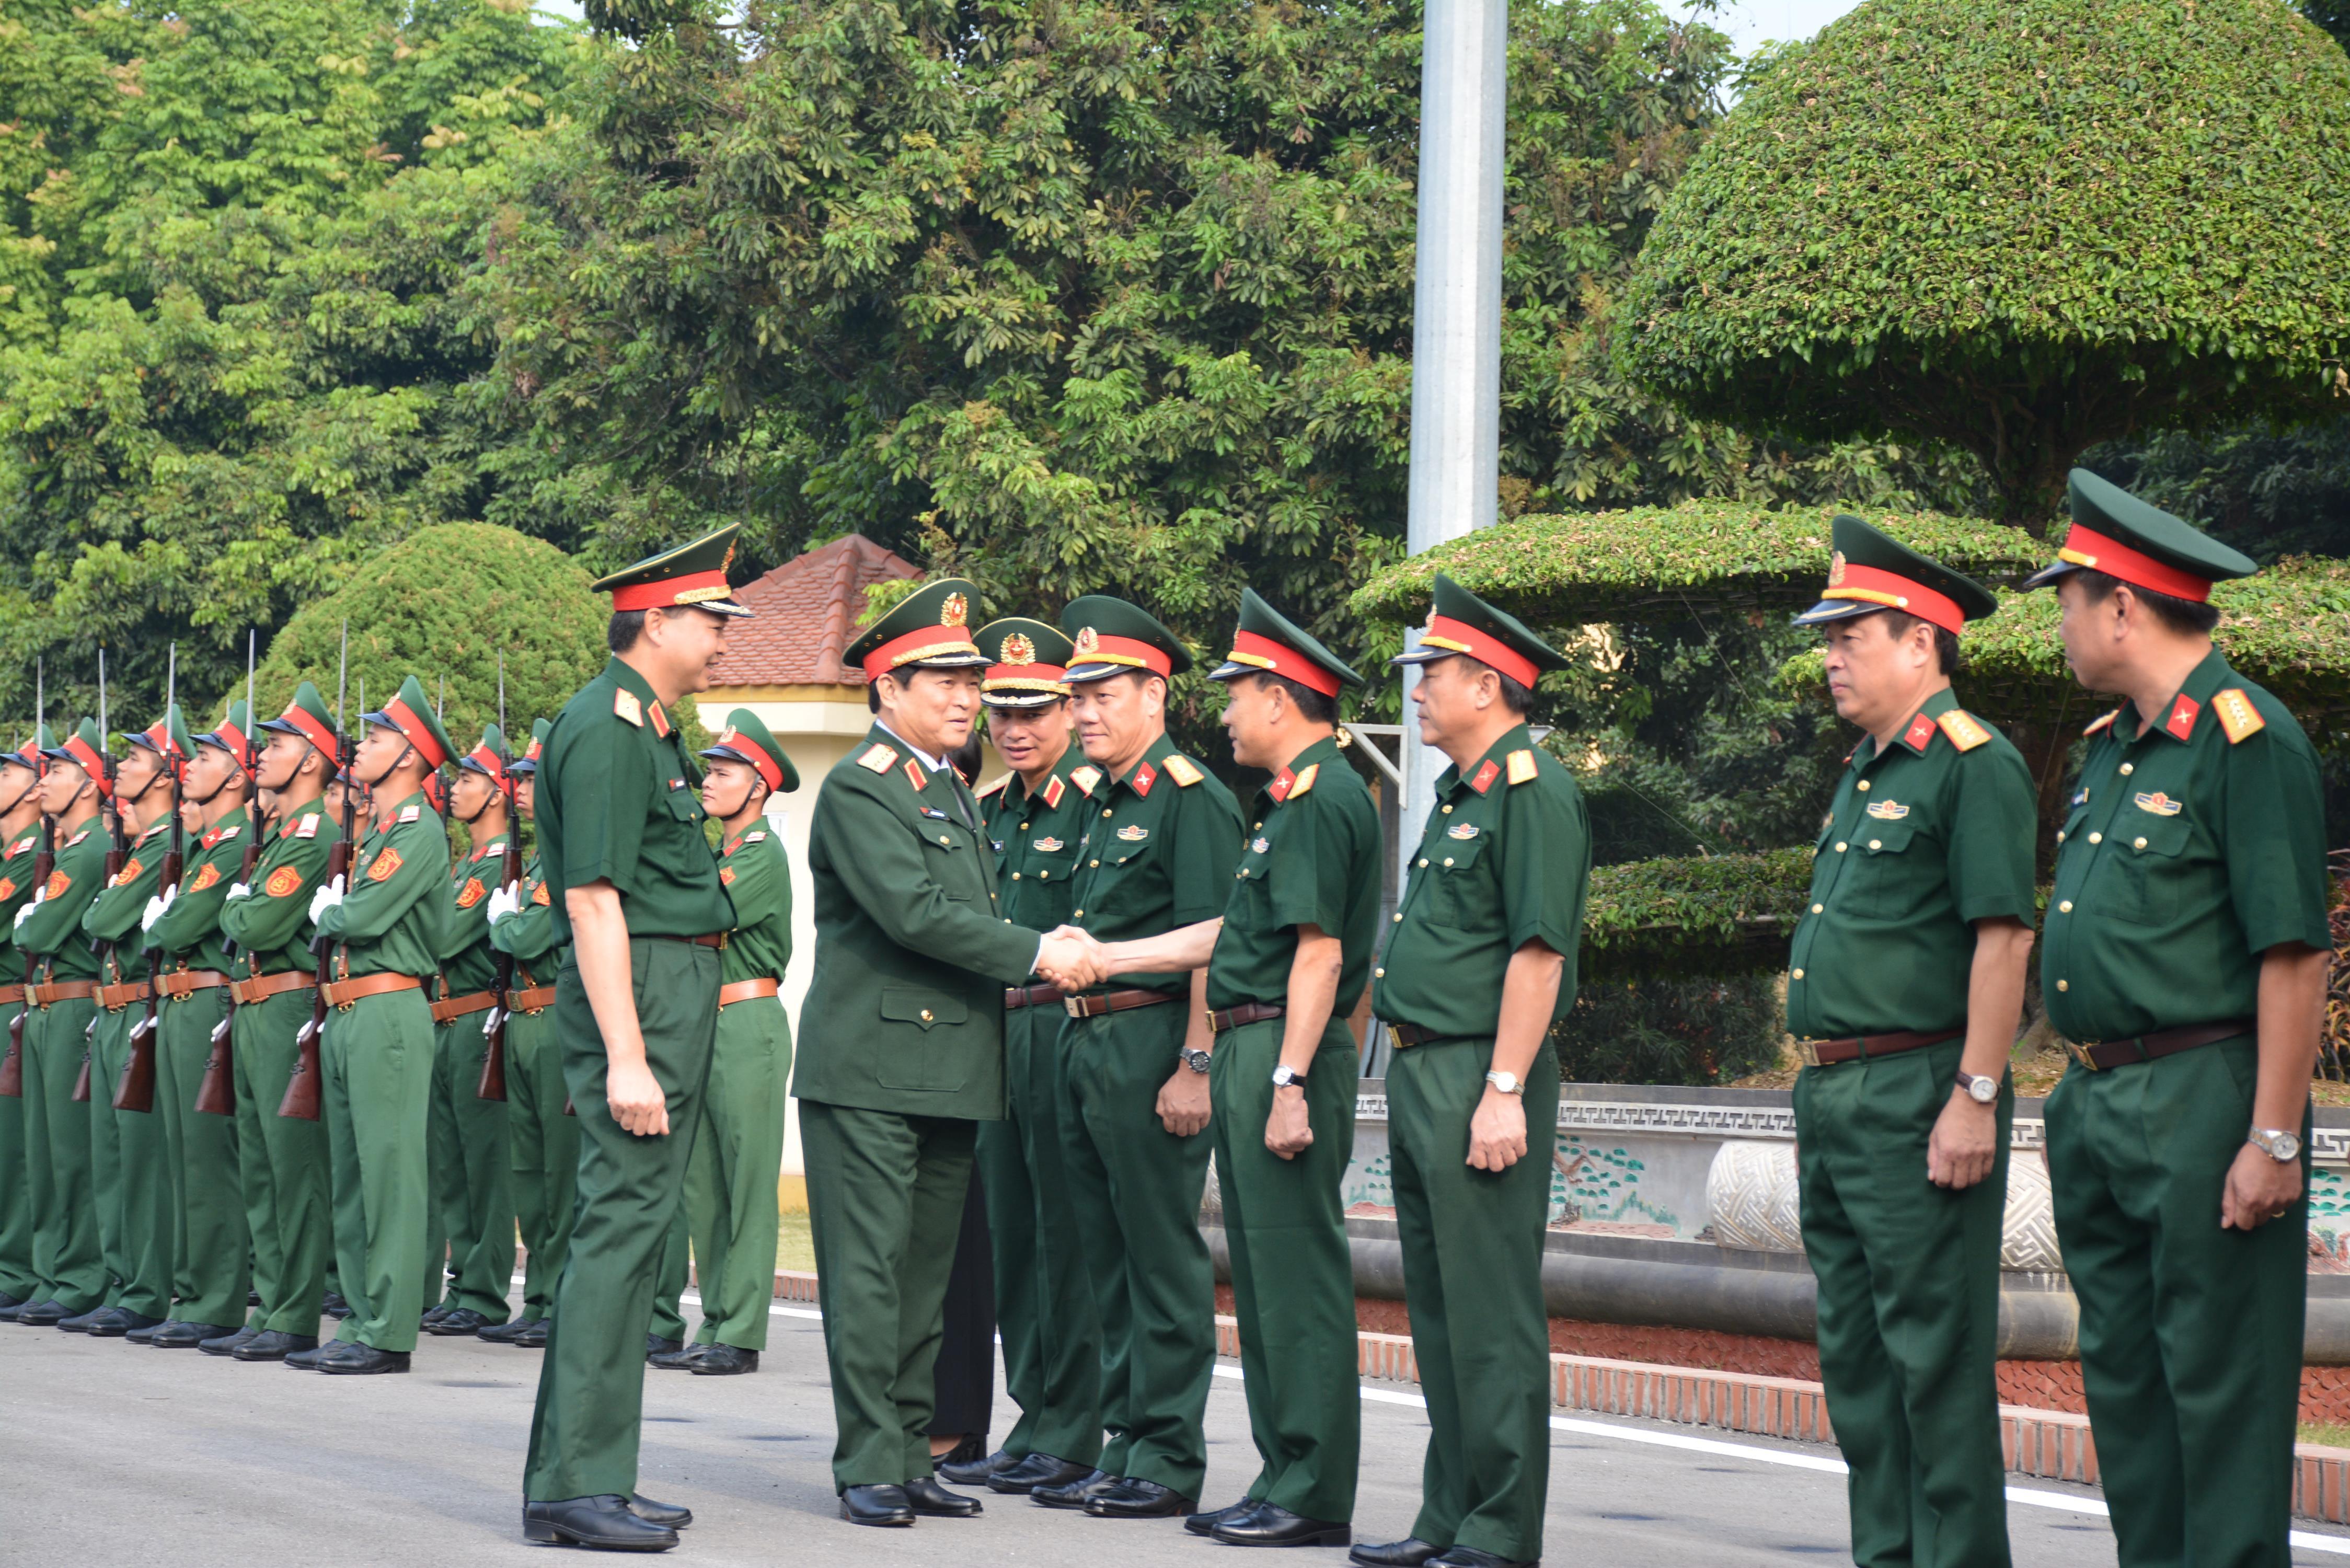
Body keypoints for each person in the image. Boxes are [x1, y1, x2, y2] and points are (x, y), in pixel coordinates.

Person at [2025, 468, 2329, 1568]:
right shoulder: (2110, 751)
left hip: (2204, 1099)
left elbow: (2292, 955)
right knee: (2128, 1390)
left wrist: (2274, 1137)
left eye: (2067, 597)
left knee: (2220, 1393)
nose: (2056, 618)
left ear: (2121, 605)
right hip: (2101, 1099)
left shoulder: (2249, 741)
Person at [1074, 589, 1381, 1547]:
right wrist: (1111, 957)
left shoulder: (1324, 798)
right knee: (1264, 1281)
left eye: (1241, 691)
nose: (1229, 710)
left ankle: (1310, 1489)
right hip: (1253, 1039)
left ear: (1284, 698)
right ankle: (1283, 1475)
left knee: (1297, 1284)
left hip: (1280, 1051)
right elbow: (1234, 932)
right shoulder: (1287, 803)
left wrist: (1287, 1083)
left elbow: (1321, 956)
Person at [796, 577, 1095, 1531]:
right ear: (887, 690)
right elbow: (917, 916)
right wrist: (1042, 951)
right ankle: (868, 1462)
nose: (967, 700)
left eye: (970, 682)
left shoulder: (946, 789)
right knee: (872, 1276)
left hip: (951, 1067)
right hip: (872, 1070)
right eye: (943, 681)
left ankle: (911, 1448)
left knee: (925, 1277)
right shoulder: (861, 787)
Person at [1783, 517, 2037, 1568]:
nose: (1831, 655)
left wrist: (1974, 1094)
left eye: (1854, 635)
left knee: (1932, 1360)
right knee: (1855, 1359)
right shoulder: (1867, 771)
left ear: (1922, 643)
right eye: (1830, 636)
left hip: (1917, 1090)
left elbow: (2003, 935)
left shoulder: (1970, 766)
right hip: (1838, 1094)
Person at [521, 524, 747, 1552]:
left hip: (668, 983)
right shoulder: (610, 727)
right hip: (641, 991)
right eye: (711, 620)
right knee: (617, 1236)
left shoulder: (649, 725)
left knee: (634, 1238)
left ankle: (598, 1471)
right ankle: (573, 1482)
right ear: (655, 621)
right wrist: (624, 1055)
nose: (723, 639)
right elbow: (595, 900)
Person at [1355, 574, 1589, 1568]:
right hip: (1422, 1072)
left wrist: (1502, 1089)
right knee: (1441, 1311)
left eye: (1431, 673)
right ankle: (1447, 1514)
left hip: (1476, 1075)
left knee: (1489, 1312)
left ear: (1488, 684)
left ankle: (1499, 1528)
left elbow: (1539, 955)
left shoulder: (1534, 792)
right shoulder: (1463, 794)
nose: (1415, 691)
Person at [1034, 596, 1244, 1521]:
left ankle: (1167, 1452)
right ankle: (1121, 1439)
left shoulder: (1191, 799)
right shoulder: (1104, 801)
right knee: (1103, 1255)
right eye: (1075, 699)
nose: (1082, 715)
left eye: (1102, 696)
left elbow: (1214, 940)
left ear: (1156, 695)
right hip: (1088, 1037)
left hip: (1154, 1039)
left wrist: (1194, 1063)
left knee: (1160, 1258)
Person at [941, 618, 1103, 1495]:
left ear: (1070, 711)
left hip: (1069, 1021)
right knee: (1014, 1238)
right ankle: (1035, 1414)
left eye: (1035, 709)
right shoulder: (991, 809)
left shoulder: (1095, 802)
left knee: (1067, 1239)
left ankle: (1075, 1427)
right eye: (1000, 712)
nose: (1014, 729)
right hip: (1001, 1033)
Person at [301, 674, 457, 1375]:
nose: (359, 748)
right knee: (353, 1175)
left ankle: (389, 1329)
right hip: (350, 1009)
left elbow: (362, 917)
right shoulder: (382, 832)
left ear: (409, 757)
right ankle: (362, 1318)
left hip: (388, 1010)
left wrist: (328, 912)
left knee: (390, 1172)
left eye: (375, 738)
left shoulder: (418, 829)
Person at [647, 708, 799, 1376]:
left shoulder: (761, 854)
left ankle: (741, 1331)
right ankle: (713, 1320)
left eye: (724, 772)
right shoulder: (719, 854)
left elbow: (699, 912)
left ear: (758, 787)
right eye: (708, 769)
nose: (709, 782)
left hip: (746, 1023)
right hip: (706, 1023)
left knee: (746, 1181)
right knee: (703, 1186)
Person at [217, 682, 342, 1362]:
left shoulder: (312, 834)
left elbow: (258, 920)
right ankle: (273, 1302)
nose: (263, 755)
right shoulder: (277, 839)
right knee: (261, 1168)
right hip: (252, 1005)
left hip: (286, 1004)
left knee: (292, 1170)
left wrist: (240, 910)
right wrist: (241, 911)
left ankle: (295, 1311)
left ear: (312, 762)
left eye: (277, 745)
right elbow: (242, 921)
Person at [139, 702, 258, 1352]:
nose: (190, 768)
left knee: (211, 1159)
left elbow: (176, 928)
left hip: (208, 1000)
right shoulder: (210, 844)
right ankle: (194, 1291)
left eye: (208, 758)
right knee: (186, 1157)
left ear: (236, 777)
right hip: (182, 1002)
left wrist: (162, 920)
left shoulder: (238, 841)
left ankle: (214, 1298)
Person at [75, 706, 188, 1339]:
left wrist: (107, 905)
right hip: (113, 1006)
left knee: (143, 1164)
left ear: (165, 778)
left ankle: (146, 1288)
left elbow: (104, 921)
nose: (122, 768)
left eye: (138, 760)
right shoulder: (137, 848)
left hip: (143, 1007)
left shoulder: (165, 848)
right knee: (112, 1159)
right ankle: (124, 1282)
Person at [12, 718, 114, 1328]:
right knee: (45, 1153)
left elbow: (40, 931)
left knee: (72, 1153)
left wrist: (33, 919)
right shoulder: (71, 851)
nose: (42, 784)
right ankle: (52, 1273)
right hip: (46, 1001)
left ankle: (79, 1275)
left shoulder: (94, 849)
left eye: (56, 774)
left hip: (74, 1001)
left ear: (87, 789)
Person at [420, 725, 517, 1339]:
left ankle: (484, 1291)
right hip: (444, 1020)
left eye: (469, 781)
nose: (455, 791)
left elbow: (447, 937)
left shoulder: (495, 864)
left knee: (485, 1168)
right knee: (452, 1166)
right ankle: (463, 1287)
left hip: (477, 1021)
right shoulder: (467, 864)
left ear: (498, 794)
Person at [482, 719, 571, 1351]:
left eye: (529, 779)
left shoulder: (564, 857)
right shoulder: (537, 858)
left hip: (557, 1021)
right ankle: (538, 1297)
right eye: (514, 778)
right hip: (519, 1021)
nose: (517, 788)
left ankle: (562, 1299)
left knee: (562, 1179)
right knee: (529, 1176)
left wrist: (506, 921)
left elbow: (531, 936)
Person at [0, 729, 48, 1321]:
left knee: (20, 1150)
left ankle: (20, 1266)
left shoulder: (37, 852)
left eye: (9, 773)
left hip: (16, 1002)